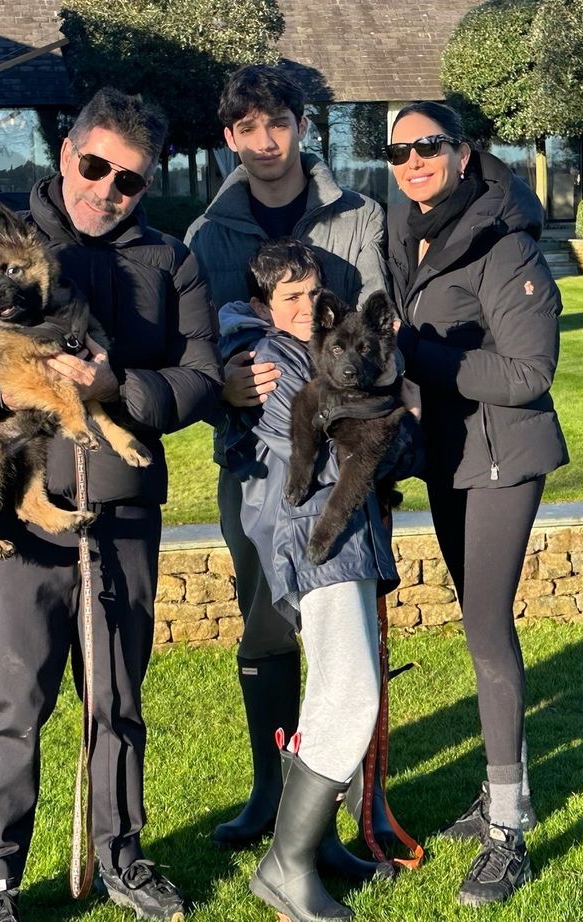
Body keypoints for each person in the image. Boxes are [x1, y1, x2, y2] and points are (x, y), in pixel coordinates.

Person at [0, 88, 222, 922]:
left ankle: (121, 857)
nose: (106, 189)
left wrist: (125, 388)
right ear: (66, 150)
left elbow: (202, 377)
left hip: (122, 515)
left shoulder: (170, 259)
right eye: (94, 165)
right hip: (21, 522)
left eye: (129, 181)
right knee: (16, 700)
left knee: (116, 700)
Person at [184, 62, 392, 853]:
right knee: (267, 626)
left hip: (340, 464)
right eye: (246, 129)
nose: (265, 142)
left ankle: (344, 807)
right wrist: (224, 386)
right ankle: (269, 790)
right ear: (230, 136)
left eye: (278, 124)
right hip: (250, 466)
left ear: (301, 127)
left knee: (342, 633)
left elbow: (376, 333)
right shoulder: (209, 236)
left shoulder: (357, 216)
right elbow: (194, 350)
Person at [385, 101, 568, 907]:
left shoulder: (504, 241)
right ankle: (496, 794)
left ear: (463, 152)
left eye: (429, 145)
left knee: (489, 631)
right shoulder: (411, 232)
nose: (415, 160)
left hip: (504, 457)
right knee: (477, 623)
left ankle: (509, 831)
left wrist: (414, 352)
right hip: (453, 461)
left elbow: (529, 375)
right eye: (399, 150)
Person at [218, 238, 421, 922]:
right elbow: (336, 461)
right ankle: (285, 869)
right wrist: (395, 426)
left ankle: (320, 845)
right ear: (263, 308)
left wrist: (389, 430)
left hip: (348, 542)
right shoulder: (272, 362)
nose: (307, 310)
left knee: (331, 697)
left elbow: (383, 445)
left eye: (313, 294)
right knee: (352, 693)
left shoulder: (330, 353)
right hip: (317, 546)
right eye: (290, 298)